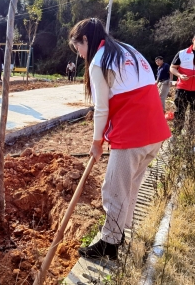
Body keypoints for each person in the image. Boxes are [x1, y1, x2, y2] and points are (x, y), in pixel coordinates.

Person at [69, 18, 171, 260]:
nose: (81, 55)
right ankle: (120, 232)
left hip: (133, 134)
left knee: (113, 189)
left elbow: (102, 109)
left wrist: (96, 142)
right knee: (131, 185)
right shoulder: (127, 49)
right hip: (155, 132)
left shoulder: (100, 60)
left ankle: (109, 244)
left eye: (78, 48)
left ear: (85, 40)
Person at [170, 30, 195, 136]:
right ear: (193, 40)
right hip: (182, 88)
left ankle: (191, 135)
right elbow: (172, 67)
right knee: (180, 111)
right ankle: (176, 134)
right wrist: (179, 75)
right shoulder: (182, 53)